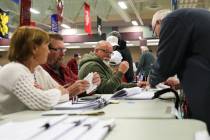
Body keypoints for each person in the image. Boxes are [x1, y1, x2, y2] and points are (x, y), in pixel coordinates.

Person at [149, 8, 210, 132]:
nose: (159, 37)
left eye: (156, 33)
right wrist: (181, 83)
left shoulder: (172, 20)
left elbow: (164, 63)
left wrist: (151, 80)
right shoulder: (191, 19)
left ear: (159, 22)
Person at [0, 26, 70, 115]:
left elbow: (66, 95)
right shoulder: (14, 70)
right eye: (47, 46)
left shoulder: (37, 69)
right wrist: (58, 91)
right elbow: (43, 102)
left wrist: (48, 94)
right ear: (34, 48)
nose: (48, 51)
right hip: (8, 126)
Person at [79, 40, 145, 94]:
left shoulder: (101, 64)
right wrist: (120, 72)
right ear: (96, 51)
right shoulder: (92, 66)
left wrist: (136, 85)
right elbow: (107, 90)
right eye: (106, 52)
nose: (109, 56)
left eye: (111, 53)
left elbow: (116, 86)